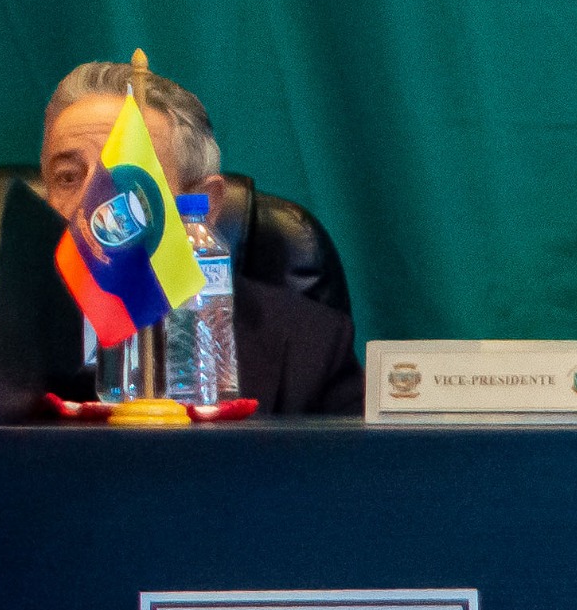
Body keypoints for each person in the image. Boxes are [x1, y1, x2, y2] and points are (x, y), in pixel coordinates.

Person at [36, 62, 362, 416]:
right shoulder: (1, 334)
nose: (90, 202)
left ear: (204, 204)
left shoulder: (307, 347)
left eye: (127, 176)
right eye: (67, 177)